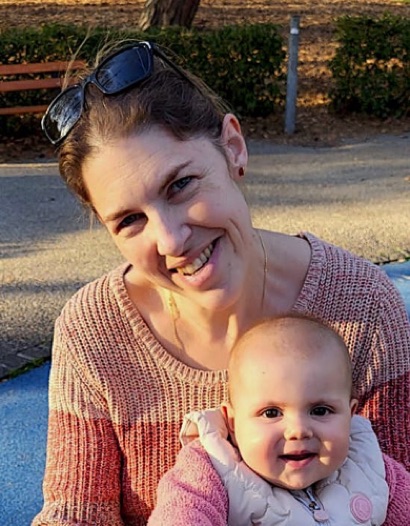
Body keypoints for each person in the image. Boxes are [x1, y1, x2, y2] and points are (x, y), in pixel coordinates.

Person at [32, 40, 410, 525]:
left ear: (233, 147)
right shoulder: (94, 333)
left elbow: (394, 487)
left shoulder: (362, 307)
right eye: (129, 220)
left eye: (180, 185)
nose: (171, 239)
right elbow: (75, 515)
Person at [148, 315, 410, 525]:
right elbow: (180, 514)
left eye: (320, 411)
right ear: (232, 423)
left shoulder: (370, 466)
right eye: (271, 413)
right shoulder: (212, 469)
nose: (298, 431)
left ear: (350, 416)